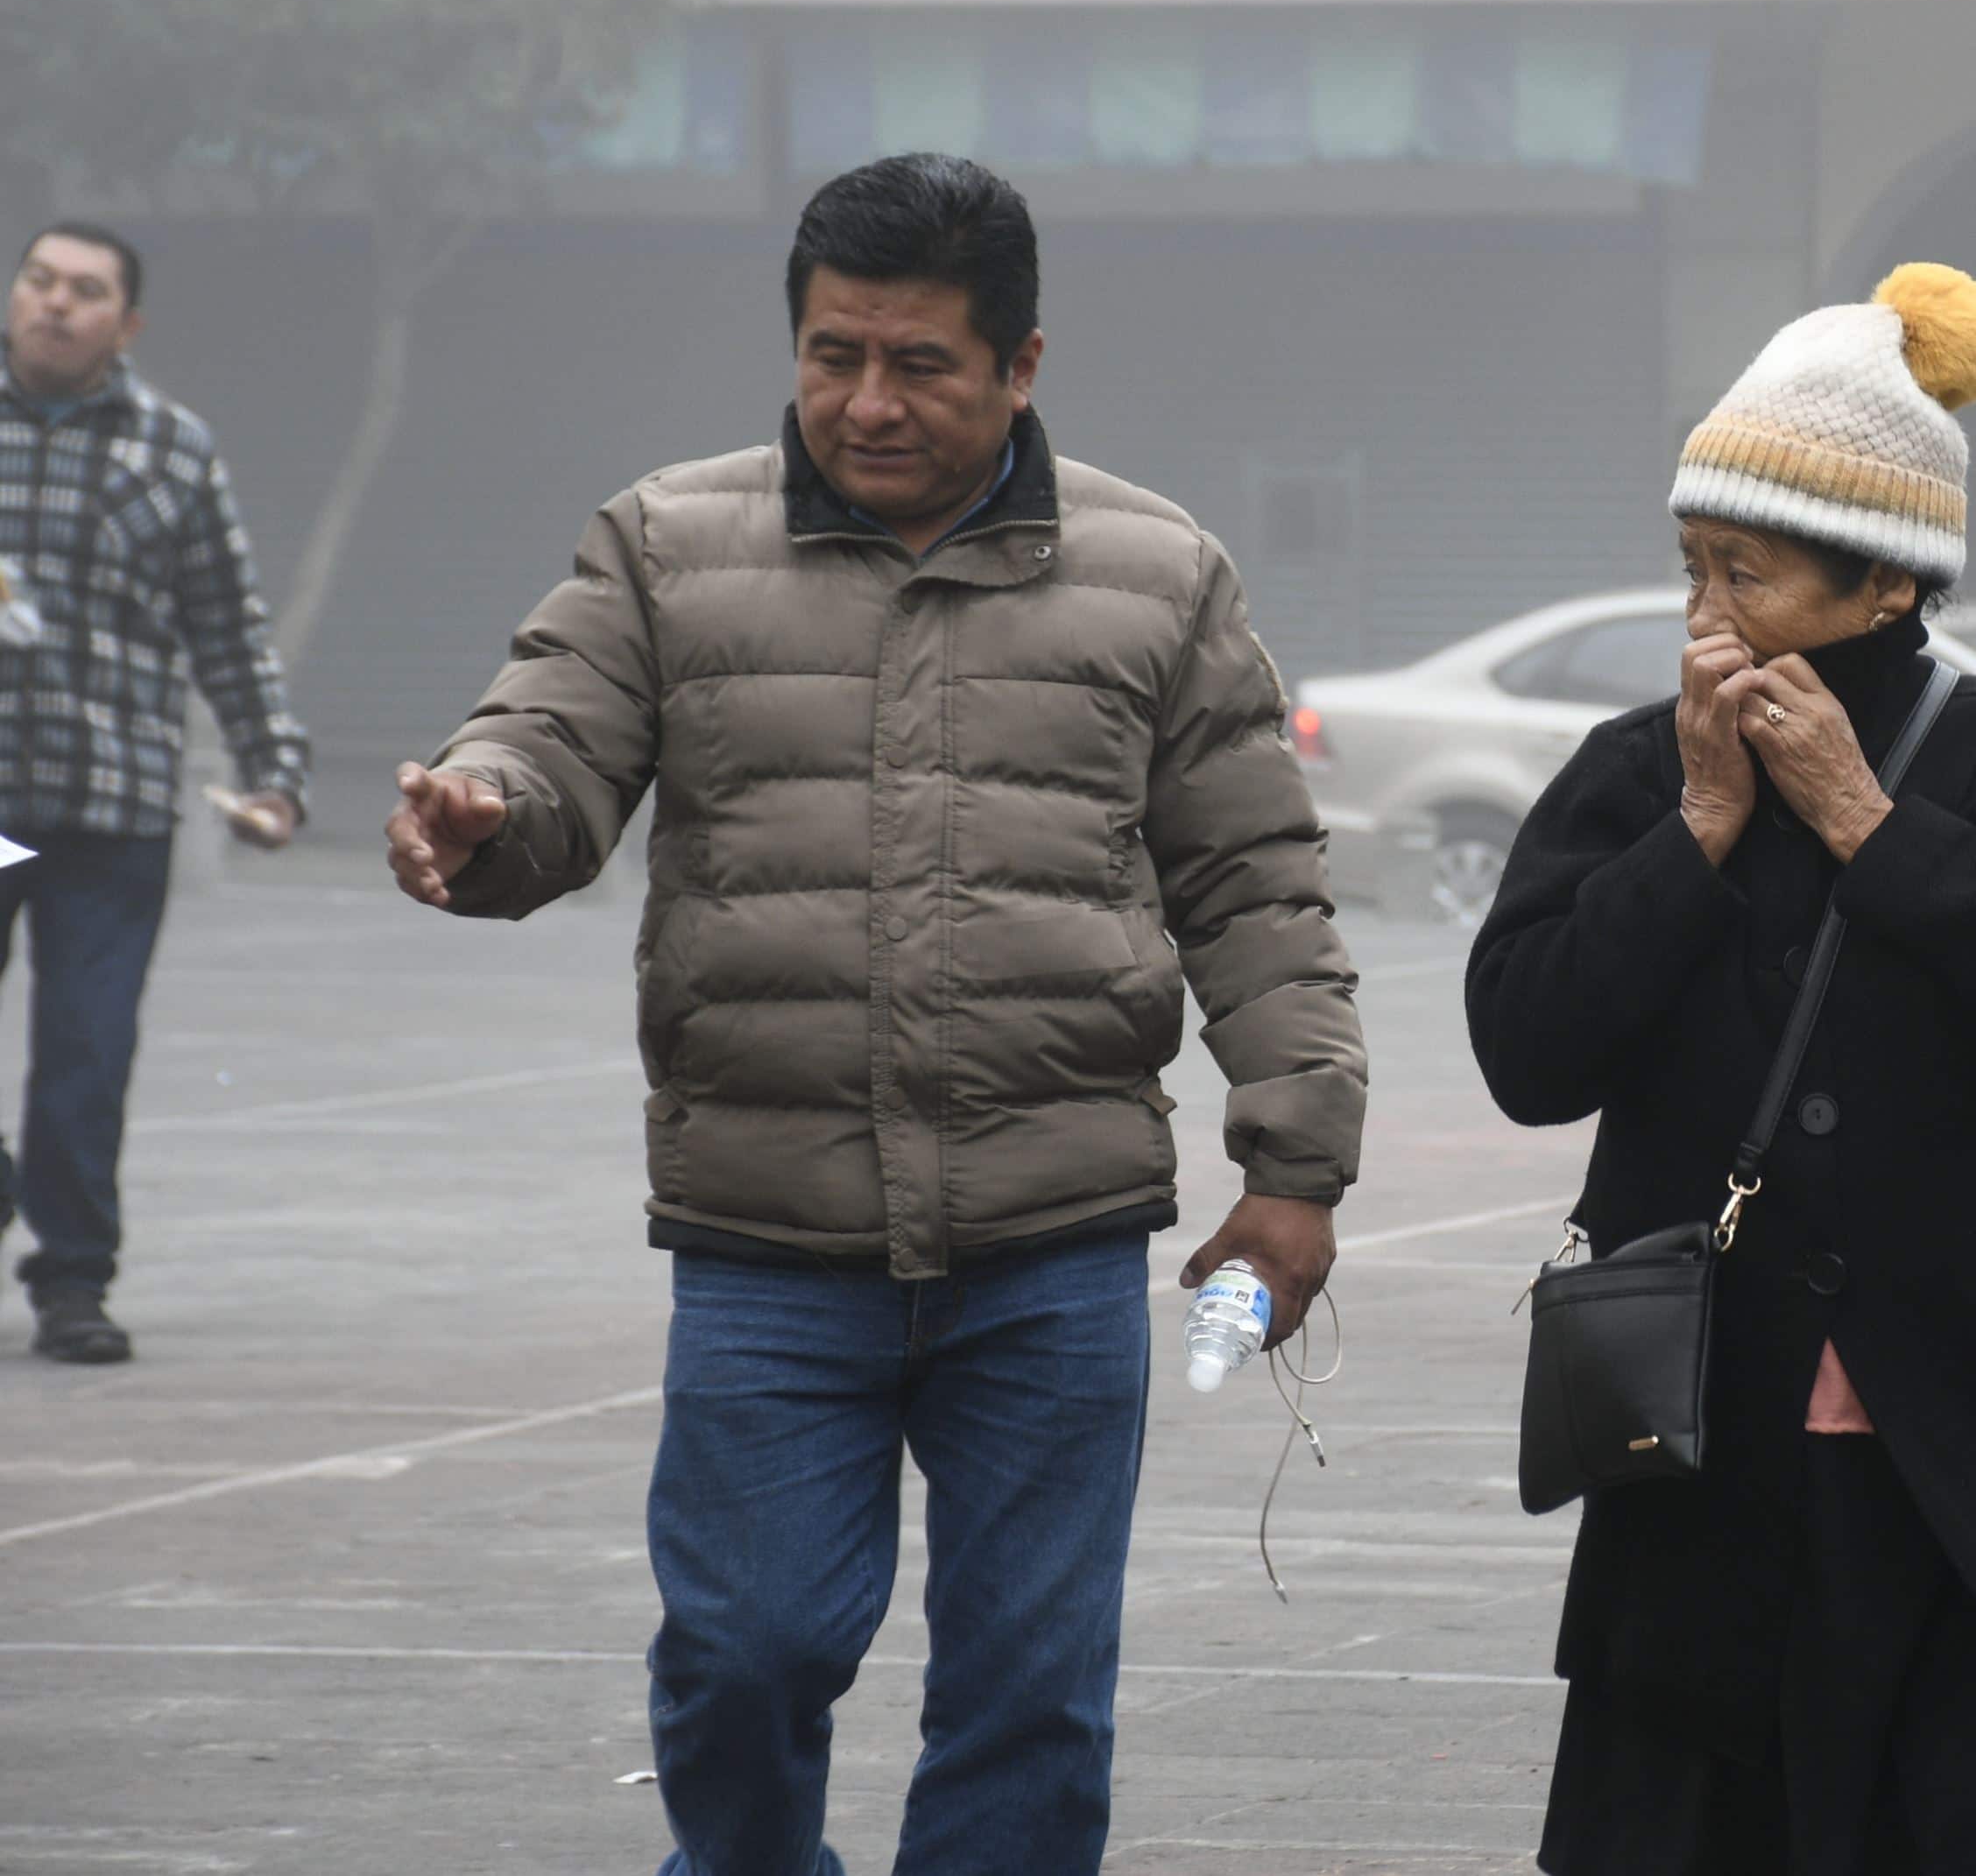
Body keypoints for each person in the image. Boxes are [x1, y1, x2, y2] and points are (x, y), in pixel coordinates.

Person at [384, 154, 1366, 1876]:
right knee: (740, 1658)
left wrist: (1295, 1168)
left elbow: (1258, 890)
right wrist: (479, 814)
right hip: (768, 1241)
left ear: (1021, 364)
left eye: (919, 362)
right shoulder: (666, 544)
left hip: (1053, 1246)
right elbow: (541, 737)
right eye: (832, 354)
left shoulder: (1158, 574)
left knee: (1032, 1695)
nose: (867, 399)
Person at [1469, 264, 1976, 1876]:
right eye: (1690, 568)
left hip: (1953, 1422)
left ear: (1884, 588)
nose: (1707, 617)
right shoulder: (1630, 769)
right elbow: (1524, 1045)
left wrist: (1867, 824)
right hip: (1705, 1424)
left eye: (1750, 571)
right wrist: (1699, 831)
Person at [1, 222, 307, 1365]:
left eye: (85, 292)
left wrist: (273, 769)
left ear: (123, 325)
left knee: (87, 1049)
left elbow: (226, 625)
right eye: (39, 281)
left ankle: (73, 1280)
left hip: (107, 804)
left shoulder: (173, 452)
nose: (56, 305)